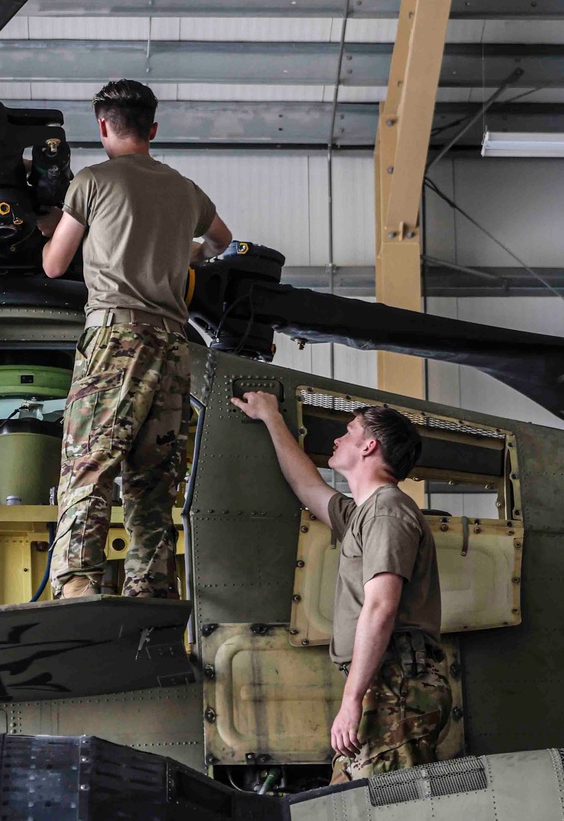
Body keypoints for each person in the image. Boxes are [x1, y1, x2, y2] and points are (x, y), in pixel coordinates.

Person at [39, 79, 233, 600]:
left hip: (114, 339)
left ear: (103, 126)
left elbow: (55, 265)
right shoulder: (185, 189)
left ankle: (79, 581)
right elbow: (222, 241)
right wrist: (182, 255)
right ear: (152, 129)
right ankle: (151, 587)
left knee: (90, 463)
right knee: (151, 480)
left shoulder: (92, 181)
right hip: (173, 348)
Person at [230, 391, 450, 782]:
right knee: (354, 807)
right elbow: (307, 486)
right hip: (383, 683)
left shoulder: (387, 511)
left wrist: (351, 700)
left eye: (348, 432)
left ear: (369, 446)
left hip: (394, 683)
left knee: (383, 813)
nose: (336, 440)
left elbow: (381, 607)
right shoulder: (365, 513)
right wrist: (271, 418)